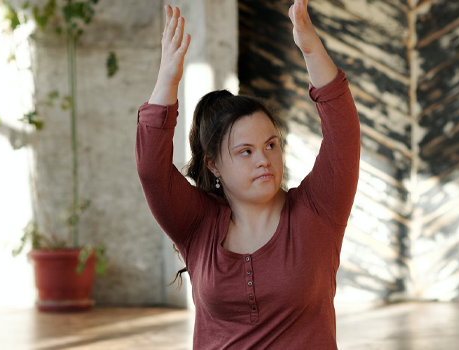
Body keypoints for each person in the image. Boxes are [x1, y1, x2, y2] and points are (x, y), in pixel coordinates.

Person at [135, 0, 361, 348]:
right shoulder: (197, 224)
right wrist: (168, 78)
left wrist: (311, 48)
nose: (264, 159)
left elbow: (343, 134)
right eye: (246, 151)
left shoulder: (318, 211)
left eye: (271, 145)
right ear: (213, 164)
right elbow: (152, 171)